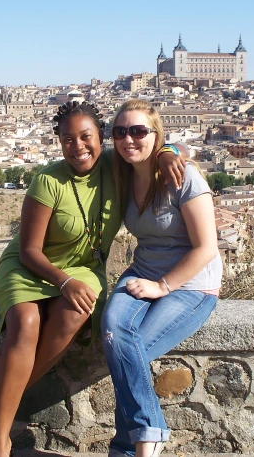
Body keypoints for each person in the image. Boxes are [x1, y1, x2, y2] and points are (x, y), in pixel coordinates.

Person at [0, 101, 184, 457]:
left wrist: (167, 152)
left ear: (100, 137)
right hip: (32, 267)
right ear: (59, 142)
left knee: (75, 313)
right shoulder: (48, 180)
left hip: (85, 267)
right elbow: (29, 251)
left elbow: (146, 145)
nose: (78, 146)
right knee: (25, 323)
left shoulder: (114, 166)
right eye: (67, 139)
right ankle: (0, 440)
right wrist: (63, 282)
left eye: (85, 137)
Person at [102, 99, 222, 457]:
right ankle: (147, 435)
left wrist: (163, 286)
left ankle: (130, 446)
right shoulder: (120, 171)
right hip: (143, 271)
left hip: (191, 284)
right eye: (121, 132)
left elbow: (206, 248)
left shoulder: (182, 177)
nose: (129, 139)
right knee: (112, 328)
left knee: (128, 353)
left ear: (155, 135)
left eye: (139, 131)